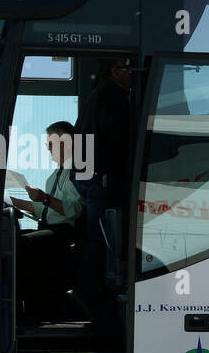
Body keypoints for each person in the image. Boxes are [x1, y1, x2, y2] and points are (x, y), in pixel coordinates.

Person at [71, 58, 134, 329]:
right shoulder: (112, 95)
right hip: (100, 178)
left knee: (95, 235)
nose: (134, 77)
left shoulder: (96, 95)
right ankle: (88, 291)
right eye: (130, 70)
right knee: (103, 238)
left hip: (87, 175)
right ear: (115, 70)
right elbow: (117, 134)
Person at [9, 121, 83, 322]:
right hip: (50, 228)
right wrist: (10, 201)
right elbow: (43, 209)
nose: (47, 148)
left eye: (51, 142)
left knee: (23, 244)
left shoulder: (78, 172)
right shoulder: (53, 177)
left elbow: (73, 210)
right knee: (11, 239)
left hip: (65, 232)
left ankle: (29, 313)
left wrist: (44, 198)